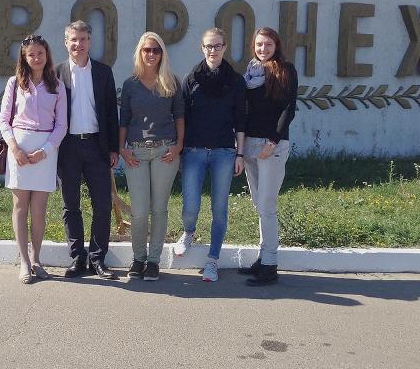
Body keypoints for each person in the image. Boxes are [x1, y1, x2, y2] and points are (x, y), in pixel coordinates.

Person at [173, 27, 246, 283]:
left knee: (219, 209)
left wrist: (240, 154)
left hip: (224, 152)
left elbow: (240, 119)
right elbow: (181, 117)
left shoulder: (235, 81)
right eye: (208, 46)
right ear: (202, 48)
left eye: (217, 46)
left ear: (225, 47)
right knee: (190, 206)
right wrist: (180, 149)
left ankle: (212, 260)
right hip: (193, 151)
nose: (212, 50)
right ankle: (188, 232)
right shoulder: (191, 79)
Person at [0, 34, 68, 284]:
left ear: (47, 55)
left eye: (40, 53)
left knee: (39, 210)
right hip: (19, 149)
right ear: (24, 58)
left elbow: (61, 125)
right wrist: (14, 148)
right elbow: (4, 120)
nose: (37, 58)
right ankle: (24, 262)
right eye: (31, 54)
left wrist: (45, 151)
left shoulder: (57, 86)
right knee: (20, 207)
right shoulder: (14, 83)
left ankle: (36, 259)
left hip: (45, 152)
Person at [56, 20, 120, 279]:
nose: (78, 44)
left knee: (102, 205)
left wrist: (113, 148)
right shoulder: (56, 73)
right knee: (70, 205)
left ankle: (97, 259)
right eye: (73, 39)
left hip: (97, 146)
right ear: (66, 43)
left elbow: (111, 113)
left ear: (90, 42)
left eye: (83, 39)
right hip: (67, 147)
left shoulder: (103, 72)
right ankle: (78, 257)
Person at [119, 32, 184, 281]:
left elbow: (179, 117)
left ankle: (154, 261)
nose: (151, 54)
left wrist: (178, 146)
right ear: (140, 52)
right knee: (139, 210)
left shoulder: (171, 81)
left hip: (165, 151)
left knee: (159, 208)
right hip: (135, 151)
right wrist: (122, 148)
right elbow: (124, 119)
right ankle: (138, 259)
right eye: (147, 49)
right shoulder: (130, 84)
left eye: (156, 50)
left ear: (162, 54)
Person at [238, 27, 298, 286]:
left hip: (272, 146)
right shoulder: (250, 72)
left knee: (267, 205)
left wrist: (272, 142)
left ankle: (270, 265)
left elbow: (289, 109)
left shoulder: (286, 70)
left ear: (277, 46)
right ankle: (263, 258)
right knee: (258, 205)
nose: (263, 49)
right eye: (259, 44)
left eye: (268, 44)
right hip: (250, 144)